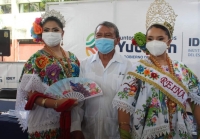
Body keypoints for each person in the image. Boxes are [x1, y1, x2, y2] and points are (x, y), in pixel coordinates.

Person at [112, 0, 200, 139]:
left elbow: (196, 102)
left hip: (179, 132)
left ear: (169, 42)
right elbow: (124, 104)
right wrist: (124, 134)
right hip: (148, 132)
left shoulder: (181, 69)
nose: (154, 42)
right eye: (150, 38)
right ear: (146, 41)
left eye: (160, 38)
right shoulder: (138, 69)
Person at [15, 9, 80, 139]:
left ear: (63, 33)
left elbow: (79, 86)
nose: (51, 33)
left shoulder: (73, 58)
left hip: (71, 119)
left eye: (55, 30)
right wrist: (56, 104)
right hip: (44, 121)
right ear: (41, 33)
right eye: (47, 30)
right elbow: (29, 94)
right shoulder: (35, 59)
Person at [70, 21, 132, 139]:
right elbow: (79, 99)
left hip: (115, 132)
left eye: (108, 35)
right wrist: (76, 128)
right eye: (99, 35)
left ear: (117, 40)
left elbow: (128, 102)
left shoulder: (127, 65)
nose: (103, 39)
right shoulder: (85, 64)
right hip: (88, 131)